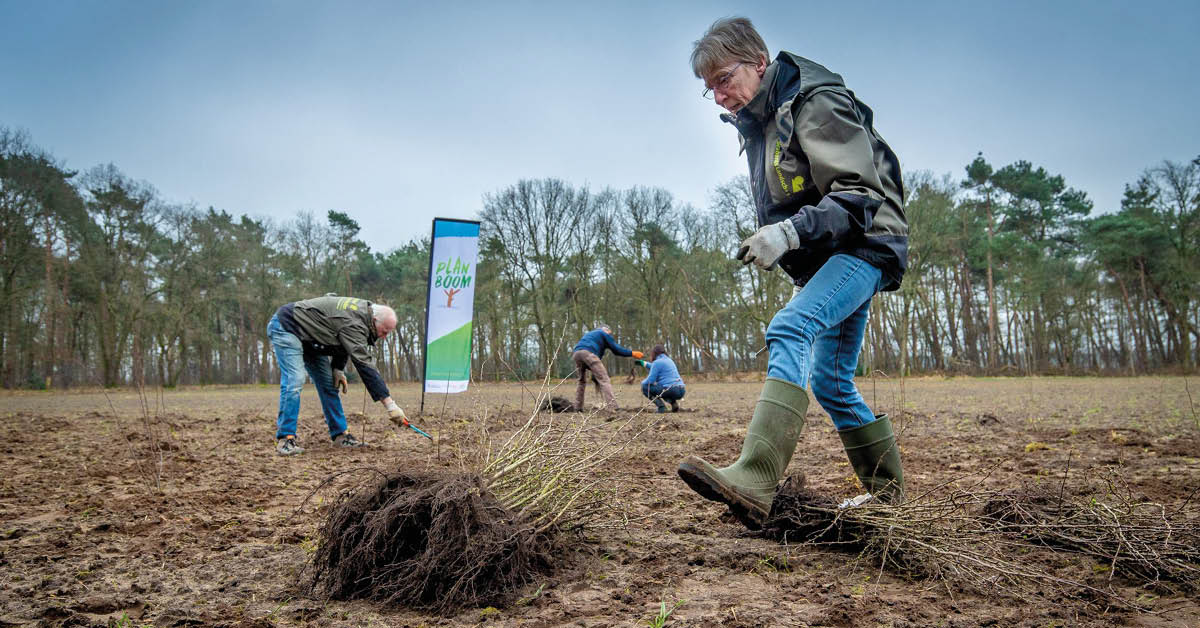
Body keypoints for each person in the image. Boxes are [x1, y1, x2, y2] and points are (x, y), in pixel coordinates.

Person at [677, 17, 908, 528]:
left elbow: (859, 193)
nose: (717, 95)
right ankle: (890, 499)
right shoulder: (760, 119)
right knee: (829, 380)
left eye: (723, 80)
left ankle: (755, 476)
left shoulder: (813, 101)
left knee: (789, 327)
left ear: (758, 63)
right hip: (830, 254)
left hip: (864, 244)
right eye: (708, 88)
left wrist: (787, 234)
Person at [267, 294, 408, 455]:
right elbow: (364, 364)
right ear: (375, 320)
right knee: (295, 380)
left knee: (329, 384)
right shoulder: (355, 322)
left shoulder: (363, 315)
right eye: (384, 331)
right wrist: (390, 405)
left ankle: (341, 436)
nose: (384, 337)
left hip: (313, 339)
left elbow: (341, 339)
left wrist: (337, 369)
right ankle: (286, 439)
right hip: (287, 326)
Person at [571, 325, 643, 411]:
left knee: (581, 381)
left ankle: (578, 407)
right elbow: (616, 350)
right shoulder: (603, 333)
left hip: (576, 354)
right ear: (606, 330)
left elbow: (597, 358)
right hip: (588, 353)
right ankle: (613, 407)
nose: (610, 335)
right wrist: (632, 353)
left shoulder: (591, 335)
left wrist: (595, 373)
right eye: (609, 333)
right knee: (604, 379)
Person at [638, 344, 686, 413]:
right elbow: (655, 367)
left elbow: (650, 381)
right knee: (662, 388)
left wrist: (642, 383)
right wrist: (644, 363)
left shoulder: (657, 362)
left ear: (654, 353)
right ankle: (673, 404)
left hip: (671, 389)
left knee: (645, 387)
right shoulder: (669, 360)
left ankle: (661, 407)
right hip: (681, 390)